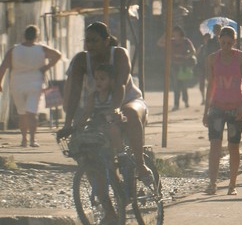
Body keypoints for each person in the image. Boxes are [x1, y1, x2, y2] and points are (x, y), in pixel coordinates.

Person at [61, 22, 150, 182]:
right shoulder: (81, 59)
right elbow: (74, 92)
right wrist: (68, 124)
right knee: (82, 134)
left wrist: (115, 109)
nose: (90, 45)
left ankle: (140, 164)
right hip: (99, 106)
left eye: (94, 40)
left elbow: (121, 85)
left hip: (128, 101)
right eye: (87, 41)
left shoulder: (119, 54)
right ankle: (108, 182)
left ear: (106, 40)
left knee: (129, 113)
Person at [202, 26, 242, 195]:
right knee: (215, 145)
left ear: (234, 42)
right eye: (223, 42)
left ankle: (232, 184)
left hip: (235, 109)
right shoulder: (212, 59)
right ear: (219, 41)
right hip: (217, 108)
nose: (226, 46)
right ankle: (212, 183)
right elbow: (211, 85)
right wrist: (206, 111)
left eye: (229, 43)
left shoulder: (241, 58)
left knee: (233, 146)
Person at [0, 25, 63, 147]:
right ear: (36, 36)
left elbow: (3, 67)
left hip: (17, 84)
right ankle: (33, 140)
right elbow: (57, 55)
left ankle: (24, 140)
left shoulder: (14, 50)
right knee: (32, 113)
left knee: (22, 113)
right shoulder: (41, 49)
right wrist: (46, 67)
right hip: (35, 83)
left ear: (24, 35)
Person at [157, 25, 197, 111]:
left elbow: (193, 51)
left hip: (184, 66)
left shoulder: (186, 41)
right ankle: (176, 104)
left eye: (176, 33)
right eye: (173, 33)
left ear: (180, 33)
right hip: (174, 65)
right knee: (176, 86)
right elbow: (159, 43)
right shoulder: (171, 41)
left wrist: (187, 56)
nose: (175, 35)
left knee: (184, 85)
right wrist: (165, 34)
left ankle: (186, 101)